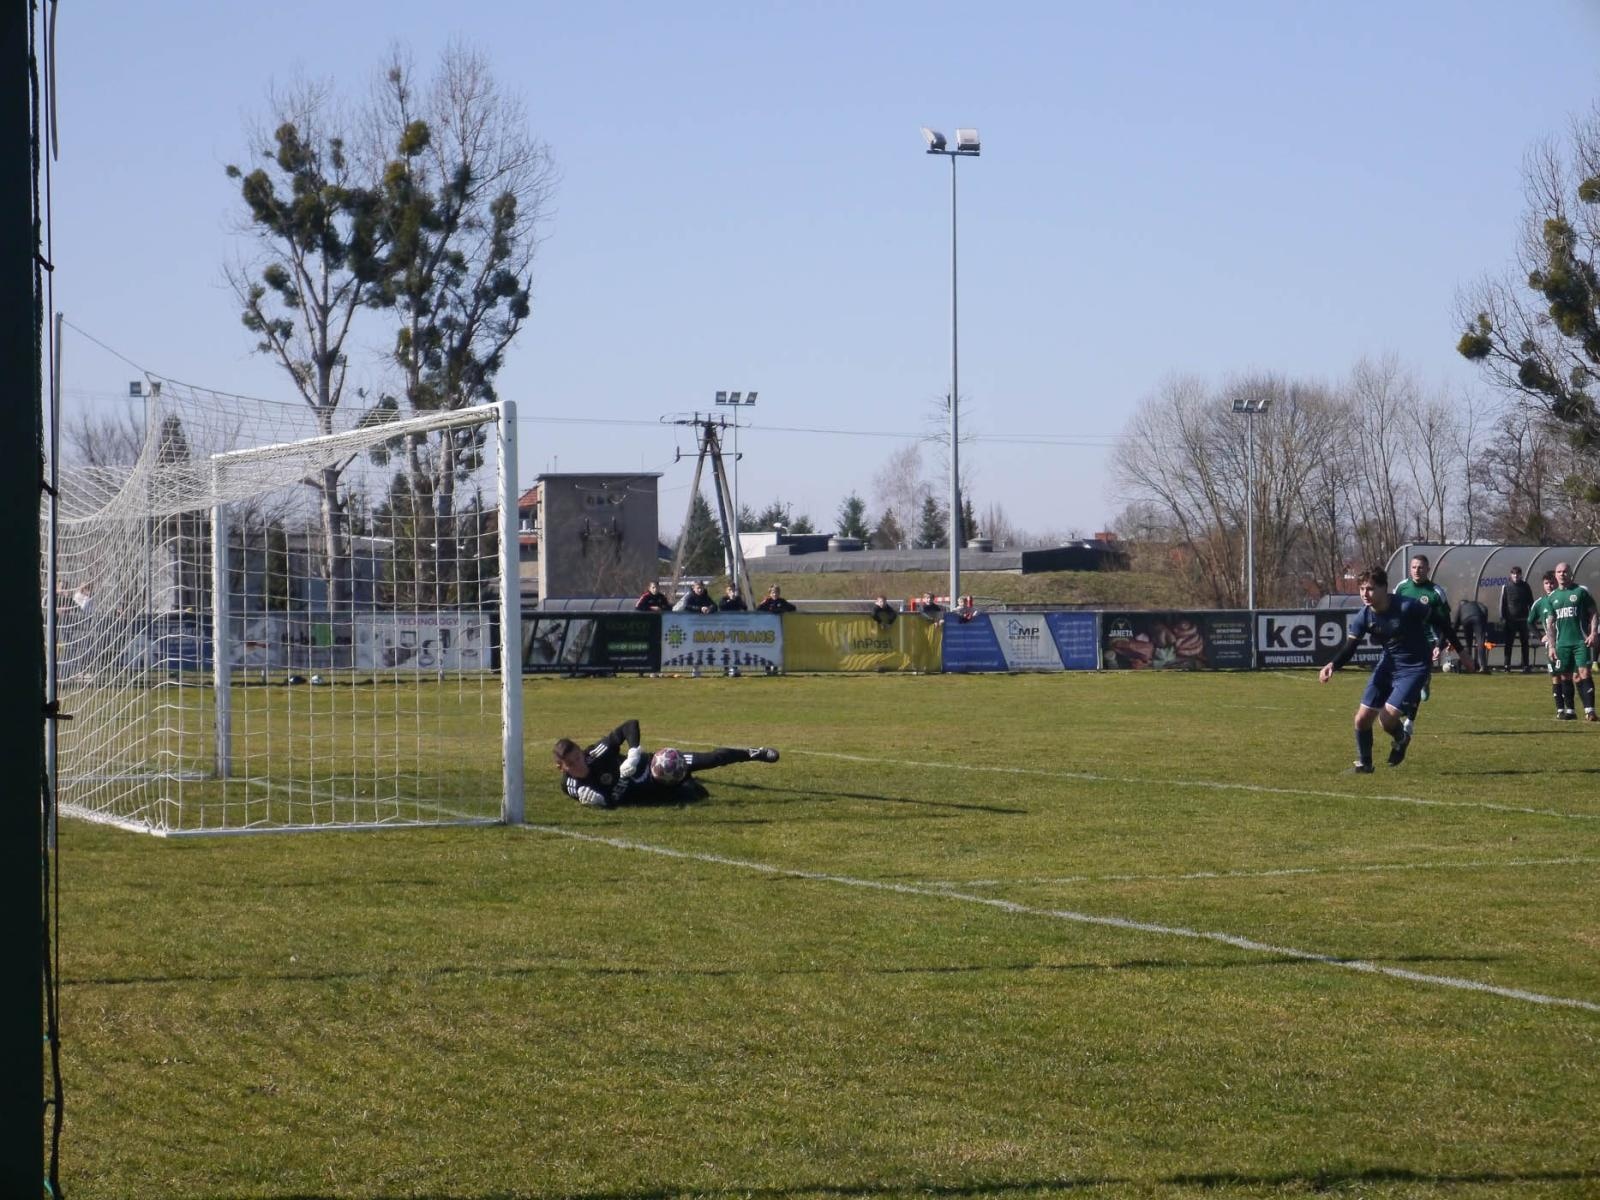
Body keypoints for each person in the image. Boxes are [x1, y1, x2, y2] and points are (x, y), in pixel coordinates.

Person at [1319, 565, 1462, 773]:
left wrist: (1462, 652)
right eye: (1361, 589)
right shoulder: (1364, 616)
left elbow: (1441, 621)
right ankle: (1364, 764)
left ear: (1384, 588)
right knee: (1361, 719)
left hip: (1414, 667)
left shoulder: (1406, 606)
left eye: (1370, 589)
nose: (1364, 594)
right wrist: (1333, 664)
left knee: (1386, 720)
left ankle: (1401, 737)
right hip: (1387, 666)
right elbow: (1350, 647)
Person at [552, 718, 780, 808]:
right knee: (697, 796)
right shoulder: (571, 785)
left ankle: (754, 753)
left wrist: (633, 753)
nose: (579, 765)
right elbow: (611, 803)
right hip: (651, 793)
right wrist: (601, 804)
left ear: (582, 752)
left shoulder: (596, 754)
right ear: (561, 768)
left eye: (578, 758)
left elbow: (629, 725)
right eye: (571, 764)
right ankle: (688, 785)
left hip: (655, 765)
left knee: (713, 758)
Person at [1393, 553, 1448, 718]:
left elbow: (1446, 622)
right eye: (1414, 567)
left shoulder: (1436, 592)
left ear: (1428, 569)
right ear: (1410, 569)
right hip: (1405, 639)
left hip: (1427, 641)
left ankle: (1409, 720)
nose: (1417, 570)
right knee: (1403, 675)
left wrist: (1440, 645)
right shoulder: (1402, 587)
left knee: (1416, 679)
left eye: (1421, 567)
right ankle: (1405, 701)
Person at [1544, 560, 1599, 722]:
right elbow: (1550, 624)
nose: (1562, 574)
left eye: (1565, 571)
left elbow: (1593, 612)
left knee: (1584, 673)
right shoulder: (1552, 597)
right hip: (1562, 643)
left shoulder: (1580, 592)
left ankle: (1590, 711)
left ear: (1571, 573)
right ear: (1555, 575)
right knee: (1565, 676)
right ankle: (1570, 711)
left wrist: (1593, 633)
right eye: (1559, 572)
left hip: (1580, 641)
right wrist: (1552, 646)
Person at [1528, 571, 1563, 718]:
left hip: (1567, 641)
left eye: (1552, 583)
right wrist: (1541, 636)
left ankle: (1572, 709)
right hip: (1551, 645)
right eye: (1547, 583)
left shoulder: (1563, 598)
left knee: (1573, 675)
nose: (1549, 586)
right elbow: (1529, 622)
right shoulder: (1540, 602)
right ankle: (1560, 709)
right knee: (1555, 675)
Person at [1499, 565, 1534, 673]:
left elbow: (1531, 602)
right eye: (1514, 574)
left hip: (1523, 620)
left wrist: (1532, 617)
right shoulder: (1506, 586)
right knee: (1509, 643)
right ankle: (1506, 666)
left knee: (1525, 643)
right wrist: (1503, 618)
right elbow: (1502, 604)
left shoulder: (1525, 586)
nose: (1516, 576)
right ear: (1511, 575)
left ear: (1521, 575)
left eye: (1518, 574)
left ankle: (1526, 665)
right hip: (1511, 621)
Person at [1454, 595, 1489, 674]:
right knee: (1480, 642)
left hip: (1465, 620)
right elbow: (1484, 609)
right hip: (1478, 617)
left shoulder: (1461, 608)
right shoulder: (1475, 603)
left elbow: (1455, 625)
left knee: (1468, 644)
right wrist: (1484, 624)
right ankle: (1483, 666)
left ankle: (1469, 666)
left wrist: (1450, 639)